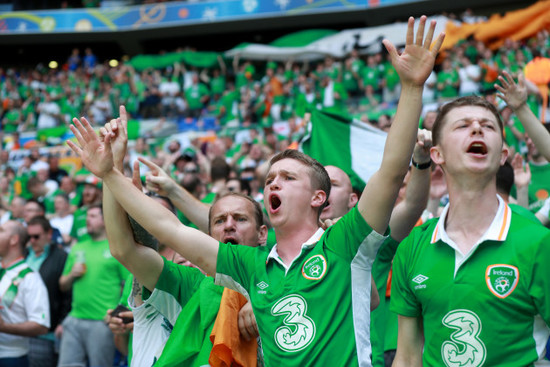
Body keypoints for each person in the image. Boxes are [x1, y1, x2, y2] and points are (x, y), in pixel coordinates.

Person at [67, 16, 443, 366]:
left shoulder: (345, 244)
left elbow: (392, 172)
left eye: (288, 178)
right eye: (269, 180)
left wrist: (411, 87)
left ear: (318, 199)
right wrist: (109, 175)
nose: (274, 183)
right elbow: (173, 231)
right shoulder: (251, 265)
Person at [390, 95, 550, 366]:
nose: (477, 128)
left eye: (488, 126)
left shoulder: (539, 242)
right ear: (436, 154)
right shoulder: (412, 246)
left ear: (502, 156)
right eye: (462, 125)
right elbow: (406, 358)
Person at [100, 114, 265, 366]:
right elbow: (123, 249)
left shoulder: (282, 276)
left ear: (263, 234)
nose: (229, 224)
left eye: (240, 219)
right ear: (210, 235)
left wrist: (260, 300)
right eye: (219, 221)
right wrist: (111, 166)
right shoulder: (192, 283)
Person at [57, 204, 130, 367]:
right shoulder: (77, 248)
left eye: (92, 216)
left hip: (101, 321)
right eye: (87, 216)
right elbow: (62, 285)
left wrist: (116, 313)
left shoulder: (115, 248)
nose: (87, 220)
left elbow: (128, 285)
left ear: (105, 221)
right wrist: (71, 276)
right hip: (74, 318)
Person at [0, 221, 50, 367]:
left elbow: (41, 325)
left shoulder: (30, 278)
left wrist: (3, 327)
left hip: (11, 357)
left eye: (1, 230)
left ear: (14, 240)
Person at [25, 216, 71, 367]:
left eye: (36, 236)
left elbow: (67, 294)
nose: (32, 240)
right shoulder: (25, 254)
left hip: (46, 332)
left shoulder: (61, 257)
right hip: (20, 330)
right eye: (29, 236)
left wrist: (62, 322)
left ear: (49, 234)